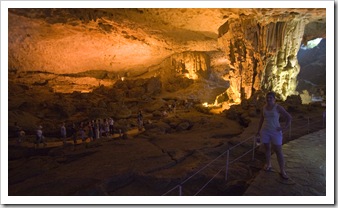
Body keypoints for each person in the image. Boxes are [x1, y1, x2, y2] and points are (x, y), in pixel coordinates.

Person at [256, 91, 292, 180]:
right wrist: (258, 131)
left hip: (275, 132)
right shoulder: (264, 108)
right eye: (267, 98)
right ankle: (268, 164)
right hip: (265, 131)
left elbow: (289, 117)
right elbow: (261, 119)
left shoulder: (278, 107)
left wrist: (284, 128)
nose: (268, 99)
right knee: (267, 148)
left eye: (270, 98)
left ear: (274, 99)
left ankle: (282, 170)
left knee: (278, 151)